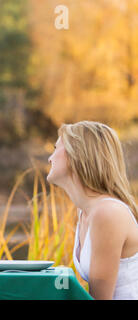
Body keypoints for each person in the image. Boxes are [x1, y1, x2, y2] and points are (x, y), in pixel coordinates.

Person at [47, 120, 138, 299]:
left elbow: (100, 298)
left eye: (56, 148)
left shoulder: (108, 213)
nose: (50, 158)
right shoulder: (86, 212)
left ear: (77, 154)